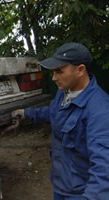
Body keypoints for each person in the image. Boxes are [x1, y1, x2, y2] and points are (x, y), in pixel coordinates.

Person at [12, 42, 109, 200]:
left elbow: (104, 172)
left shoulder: (100, 111)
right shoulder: (64, 92)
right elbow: (54, 113)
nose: (54, 78)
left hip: (81, 194)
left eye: (59, 71)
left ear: (80, 70)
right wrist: (27, 113)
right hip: (62, 186)